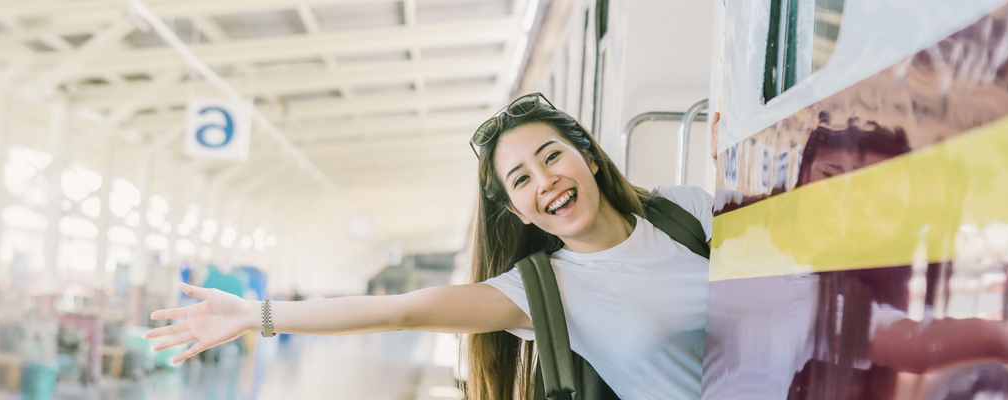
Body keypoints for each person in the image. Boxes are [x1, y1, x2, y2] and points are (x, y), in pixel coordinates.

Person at [143, 93, 714, 400]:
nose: (545, 182)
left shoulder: (687, 210)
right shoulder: (543, 290)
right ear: (518, 211)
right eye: (520, 181)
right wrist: (255, 315)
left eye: (551, 156)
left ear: (586, 154)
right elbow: (402, 310)